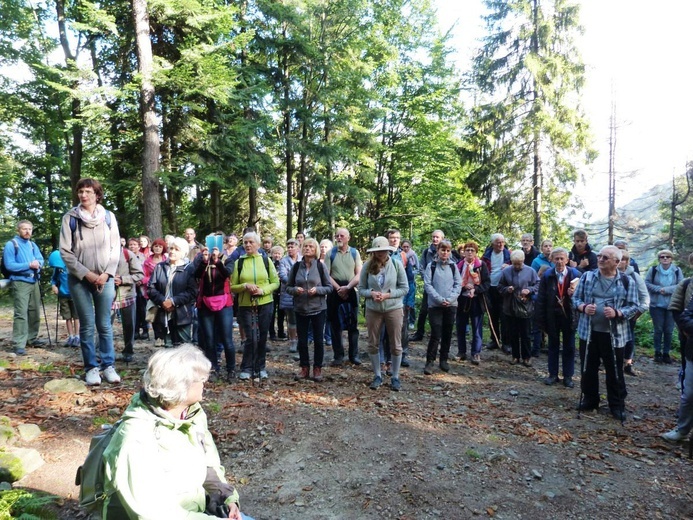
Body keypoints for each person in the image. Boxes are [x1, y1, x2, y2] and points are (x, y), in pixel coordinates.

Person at [101, 345, 254, 519]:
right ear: (180, 386)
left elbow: (208, 465)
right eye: (200, 378)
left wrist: (227, 498)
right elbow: (153, 513)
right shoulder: (135, 436)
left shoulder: (192, 414)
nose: (205, 382)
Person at [59, 179, 121, 386]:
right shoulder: (70, 218)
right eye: (80, 191)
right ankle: (91, 368)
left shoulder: (109, 218)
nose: (84, 195)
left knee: (104, 324)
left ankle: (108, 365)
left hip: (105, 278)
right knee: (86, 325)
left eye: (88, 191)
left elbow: (115, 249)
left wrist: (107, 274)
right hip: (79, 280)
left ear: (97, 194)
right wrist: (87, 274)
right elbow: (65, 252)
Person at [573, 245, 639, 421]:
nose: (600, 260)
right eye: (600, 256)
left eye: (605, 258)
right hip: (589, 331)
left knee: (614, 370)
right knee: (588, 367)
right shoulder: (587, 277)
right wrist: (584, 307)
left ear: (617, 262)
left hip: (615, 334)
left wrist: (618, 313)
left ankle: (616, 405)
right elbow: (575, 299)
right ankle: (590, 399)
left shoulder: (627, 281)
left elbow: (634, 306)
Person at [359, 237, 409, 390]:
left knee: (396, 343)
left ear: (388, 250)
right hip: (373, 309)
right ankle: (377, 375)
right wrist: (372, 293)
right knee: (373, 342)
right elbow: (361, 289)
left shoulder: (396, 264)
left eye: (383, 250)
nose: (380, 253)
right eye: (377, 250)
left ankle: (395, 376)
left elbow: (404, 288)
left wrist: (388, 294)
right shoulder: (367, 266)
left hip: (393, 308)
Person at [231, 232, 280, 381]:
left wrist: (262, 290)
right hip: (246, 304)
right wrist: (245, 286)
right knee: (251, 336)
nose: (247, 245)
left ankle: (260, 367)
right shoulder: (239, 263)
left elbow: (276, 282)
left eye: (251, 242)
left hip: (265, 303)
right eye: (245, 242)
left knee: (262, 336)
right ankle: (246, 367)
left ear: (258, 244)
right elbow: (232, 286)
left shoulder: (266, 261)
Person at [286, 238, 333, 382]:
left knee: (319, 340)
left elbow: (329, 287)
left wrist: (317, 290)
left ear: (316, 250)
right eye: (305, 246)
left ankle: (317, 368)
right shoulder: (296, 267)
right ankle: (304, 367)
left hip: (318, 308)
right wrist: (295, 290)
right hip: (300, 308)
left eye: (311, 246)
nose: (307, 248)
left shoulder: (320, 266)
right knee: (302, 341)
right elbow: (288, 287)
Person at [536, 247, 580, 387]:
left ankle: (568, 376)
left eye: (562, 258)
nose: (560, 261)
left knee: (569, 346)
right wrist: (541, 319)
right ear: (552, 260)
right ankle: (552, 374)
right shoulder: (547, 276)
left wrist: (573, 294)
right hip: (552, 315)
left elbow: (583, 297)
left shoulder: (576, 275)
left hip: (569, 316)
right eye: (557, 259)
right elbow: (541, 298)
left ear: (567, 260)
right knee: (553, 345)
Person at [5, 220, 46, 355]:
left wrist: (38, 264)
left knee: (34, 312)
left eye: (30, 229)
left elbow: (40, 259)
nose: (28, 231)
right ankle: (19, 343)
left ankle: (31, 338)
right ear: (18, 230)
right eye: (24, 229)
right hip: (20, 282)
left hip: (34, 280)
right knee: (21, 313)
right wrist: (29, 265)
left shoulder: (32, 245)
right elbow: (9, 265)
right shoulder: (12, 245)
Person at [147, 237, 198, 347]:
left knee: (184, 347)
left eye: (176, 249)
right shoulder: (159, 267)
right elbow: (151, 288)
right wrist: (163, 301)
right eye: (171, 248)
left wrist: (173, 301)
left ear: (183, 253)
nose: (172, 251)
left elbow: (192, 292)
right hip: (163, 313)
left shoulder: (189, 269)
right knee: (168, 348)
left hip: (182, 314)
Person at [195, 246, 236, 381]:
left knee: (226, 339)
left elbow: (226, 273)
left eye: (216, 247)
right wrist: (204, 261)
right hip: (205, 304)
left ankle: (231, 369)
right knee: (209, 339)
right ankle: (213, 368)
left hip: (224, 304)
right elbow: (196, 275)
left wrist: (217, 261)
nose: (213, 250)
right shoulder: (201, 260)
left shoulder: (227, 260)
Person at [325, 228, 363, 366]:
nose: (339, 238)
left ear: (348, 238)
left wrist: (348, 287)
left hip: (351, 289)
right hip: (335, 291)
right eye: (337, 236)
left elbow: (359, 273)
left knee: (353, 325)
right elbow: (326, 275)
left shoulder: (354, 253)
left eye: (342, 236)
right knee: (335, 325)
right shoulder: (330, 254)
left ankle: (354, 355)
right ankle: (338, 356)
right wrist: (338, 288)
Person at [423, 240, 462, 375]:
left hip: (451, 305)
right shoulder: (431, 266)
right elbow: (428, 285)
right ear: (438, 250)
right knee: (436, 333)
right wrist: (440, 299)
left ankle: (443, 359)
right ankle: (430, 361)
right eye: (442, 250)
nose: (445, 253)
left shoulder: (453, 266)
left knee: (447, 333)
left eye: (447, 250)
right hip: (435, 305)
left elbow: (458, 284)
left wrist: (450, 299)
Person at [663, 276, 693, 443]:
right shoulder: (687, 283)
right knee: (689, 394)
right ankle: (682, 430)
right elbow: (684, 317)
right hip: (692, 350)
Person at [498, 250, 539, 366]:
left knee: (526, 333)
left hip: (525, 307)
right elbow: (500, 287)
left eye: (519, 263)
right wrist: (507, 289)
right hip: (510, 307)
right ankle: (515, 356)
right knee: (513, 333)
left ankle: (527, 357)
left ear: (523, 261)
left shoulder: (531, 271)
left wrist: (529, 290)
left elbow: (538, 284)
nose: (516, 266)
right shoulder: (506, 271)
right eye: (514, 263)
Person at [645, 249, 684, 364]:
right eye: (662, 257)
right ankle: (657, 352)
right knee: (658, 329)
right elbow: (646, 283)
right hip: (656, 305)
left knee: (669, 330)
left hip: (672, 305)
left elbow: (681, 285)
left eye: (667, 256)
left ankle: (666, 353)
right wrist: (658, 289)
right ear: (659, 259)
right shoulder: (653, 270)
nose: (665, 258)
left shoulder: (677, 270)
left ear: (671, 258)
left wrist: (666, 290)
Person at [456, 241, 490, 365]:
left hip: (476, 299)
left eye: (472, 250)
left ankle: (476, 353)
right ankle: (461, 351)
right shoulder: (459, 265)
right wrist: (464, 287)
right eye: (468, 250)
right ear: (464, 252)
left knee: (476, 328)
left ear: (476, 252)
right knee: (460, 326)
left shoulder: (481, 265)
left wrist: (475, 289)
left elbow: (487, 283)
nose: (470, 252)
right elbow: (455, 282)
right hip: (461, 299)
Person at [618, 249, 649, 376]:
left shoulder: (634, 276)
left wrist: (639, 311)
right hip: (612, 313)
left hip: (629, 313)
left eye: (623, 259)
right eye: (618, 259)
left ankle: (627, 364)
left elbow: (644, 295)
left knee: (629, 338)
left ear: (627, 262)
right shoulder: (607, 274)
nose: (620, 262)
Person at [112, 245, 144, 363]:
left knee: (129, 325)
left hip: (127, 294)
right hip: (107, 295)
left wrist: (122, 279)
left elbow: (139, 275)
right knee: (104, 325)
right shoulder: (101, 253)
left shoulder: (127, 254)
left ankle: (128, 352)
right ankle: (101, 353)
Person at [411, 230, 444, 342]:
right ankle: (419, 333)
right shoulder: (427, 252)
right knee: (424, 310)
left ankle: (439, 334)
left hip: (441, 287)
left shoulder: (446, 251)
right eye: (433, 237)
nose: (435, 239)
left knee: (440, 311)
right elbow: (421, 267)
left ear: (442, 239)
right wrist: (429, 279)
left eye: (437, 237)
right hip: (429, 287)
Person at [481, 233, 511, 352]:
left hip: (503, 288)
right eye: (498, 242)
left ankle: (506, 343)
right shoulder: (487, 255)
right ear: (493, 243)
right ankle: (495, 340)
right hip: (490, 288)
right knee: (492, 315)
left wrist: (508, 265)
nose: (501, 244)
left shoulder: (509, 255)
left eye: (502, 242)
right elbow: (482, 270)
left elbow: (516, 267)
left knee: (504, 316)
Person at [49, 249, 79, 348]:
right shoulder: (58, 267)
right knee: (67, 317)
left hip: (74, 294)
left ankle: (77, 336)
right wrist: (54, 286)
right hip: (63, 294)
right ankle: (70, 336)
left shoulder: (73, 265)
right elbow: (53, 279)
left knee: (76, 316)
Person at [142, 238, 167, 347]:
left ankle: (165, 336)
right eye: (155, 246)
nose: (157, 248)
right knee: (155, 315)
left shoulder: (167, 260)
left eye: (160, 246)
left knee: (164, 315)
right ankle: (157, 337)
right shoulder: (147, 262)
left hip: (165, 291)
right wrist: (152, 280)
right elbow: (143, 277)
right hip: (152, 291)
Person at [278, 239, 300, 352]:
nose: (290, 249)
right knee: (291, 319)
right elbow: (283, 276)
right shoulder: (283, 261)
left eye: (292, 247)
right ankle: (292, 342)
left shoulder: (303, 259)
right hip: (288, 294)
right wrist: (295, 283)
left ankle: (301, 340)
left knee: (301, 318)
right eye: (289, 247)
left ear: (298, 248)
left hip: (302, 294)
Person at [128, 238, 149, 342]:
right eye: (130, 245)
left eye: (134, 244)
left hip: (142, 287)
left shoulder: (143, 257)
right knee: (134, 310)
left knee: (143, 309)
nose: (132, 246)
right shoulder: (125, 257)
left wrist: (141, 280)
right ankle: (135, 330)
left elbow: (146, 271)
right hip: (130, 286)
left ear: (138, 246)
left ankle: (145, 330)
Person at [401, 240, 419, 330]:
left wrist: (412, 273)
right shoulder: (400, 255)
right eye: (404, 247)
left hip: (411, 280)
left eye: (407, 246)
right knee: (403, 302)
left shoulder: (413, 255)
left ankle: (411, 321)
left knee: (410, 302)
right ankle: (403, 321)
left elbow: (418, 268)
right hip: (402, 280)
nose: (406, 248)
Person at [269, 245, 285, 341]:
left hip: (281, 291)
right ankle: (271, 333)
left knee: (281, 313)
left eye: (279, 253)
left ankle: (281, 331)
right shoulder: (269, 263)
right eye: (275, 253)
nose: (277, 255)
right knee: (271, 313)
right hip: (272, 292)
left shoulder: (283, 263)